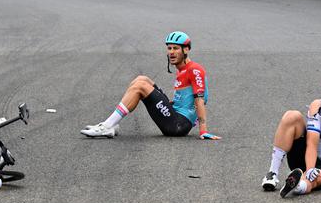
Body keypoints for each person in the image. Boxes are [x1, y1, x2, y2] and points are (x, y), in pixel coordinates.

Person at [81, 31, 220, 140]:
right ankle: (112, 124)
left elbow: (200, 100)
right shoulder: (181, 69)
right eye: (169, 48)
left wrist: (203, 130)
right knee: (142, 79)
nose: (171, 52)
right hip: (174, 113)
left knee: (141, 86)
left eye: (176, 48)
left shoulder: (194, 70)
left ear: (186, 50)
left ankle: (106, 126)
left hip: (178, 125)